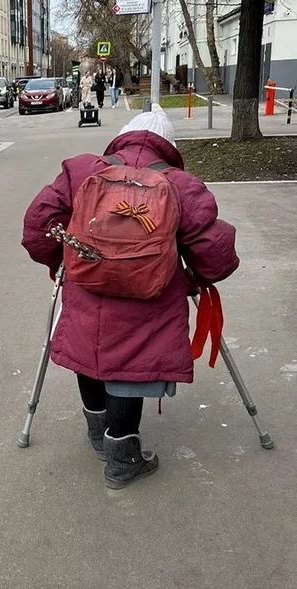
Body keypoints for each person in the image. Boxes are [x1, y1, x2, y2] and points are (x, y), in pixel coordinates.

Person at [21, 112, 239, 489]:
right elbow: (216, 256)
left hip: (86, 289)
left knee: (87, 355)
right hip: (149, 301)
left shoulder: (82, 171)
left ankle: (98, 436)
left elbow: (38, 227)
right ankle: (123, 461)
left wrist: (61, 261)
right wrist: (192, 278)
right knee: (129, 370)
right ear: (168, 147)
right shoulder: (181, 186)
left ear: (121, 139)